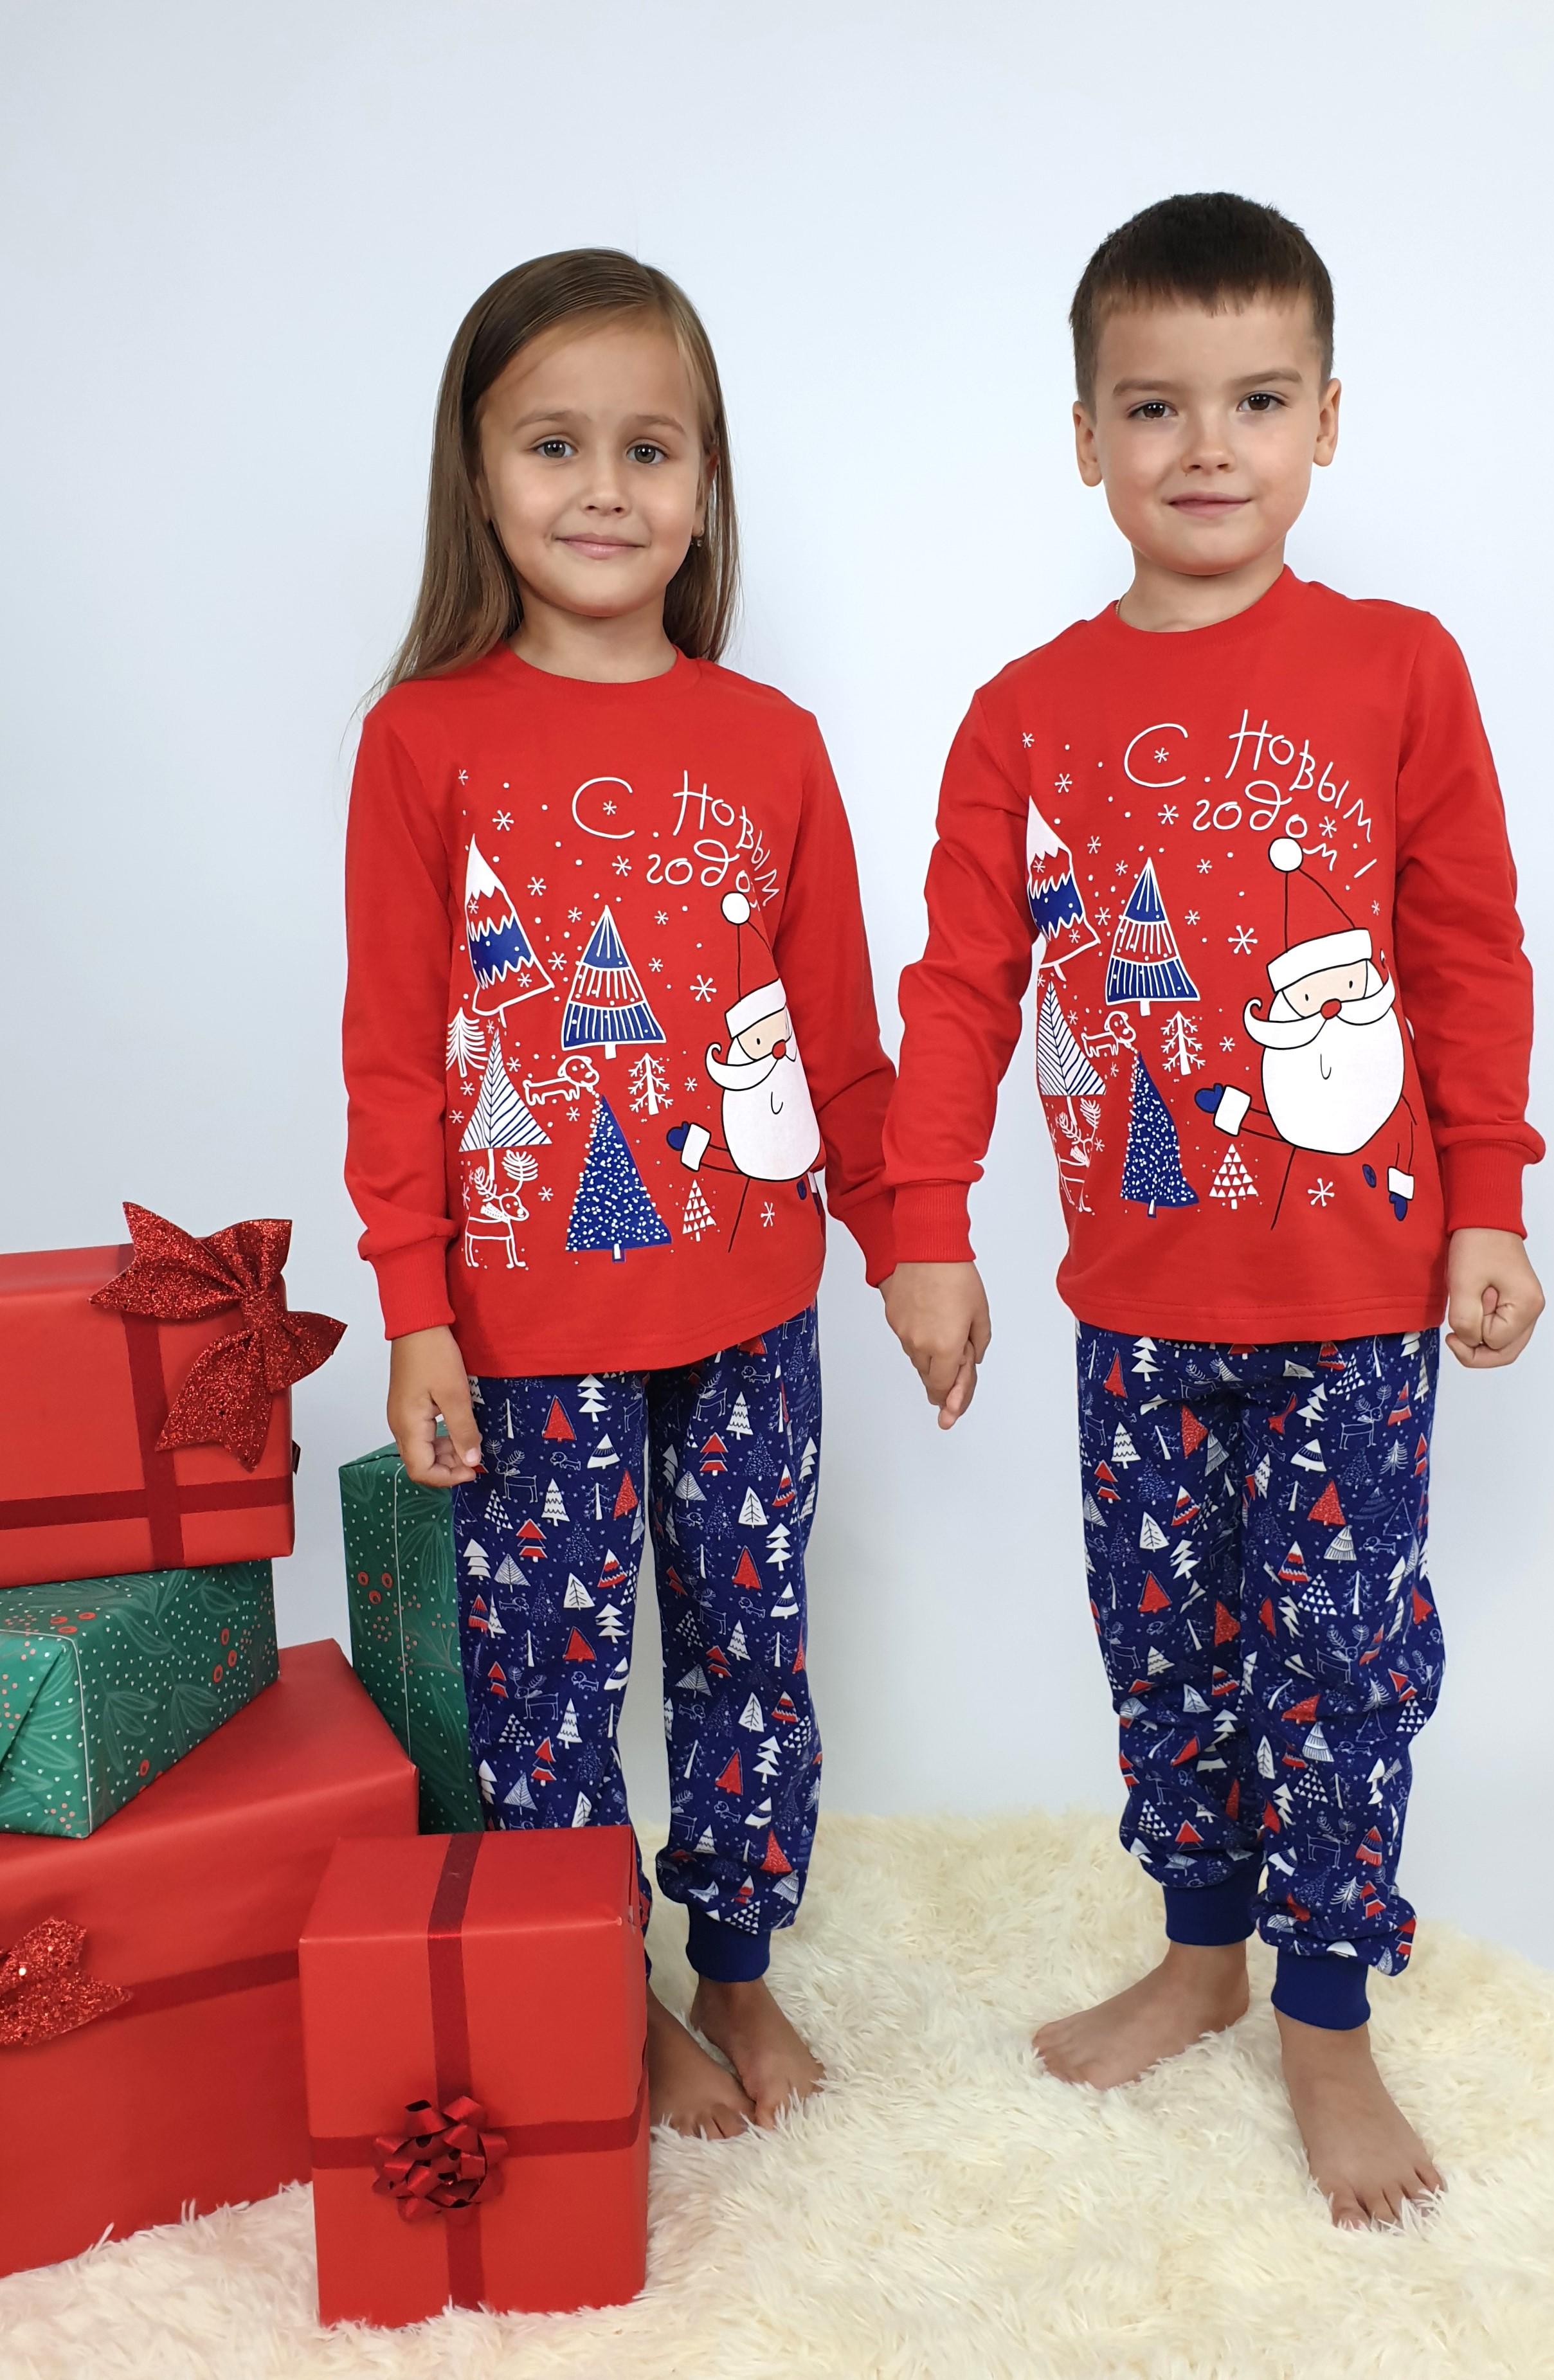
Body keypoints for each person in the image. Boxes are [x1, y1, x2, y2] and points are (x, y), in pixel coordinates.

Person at [881, 194, 1544, 2226]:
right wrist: (925, 1223)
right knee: (1162, 1646)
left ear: (1327, 421)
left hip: (1356, 1301)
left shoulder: (1397, 668)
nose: (1206, 447)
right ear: (1085, 434)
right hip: (1139, 1305)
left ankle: (1327, 2017)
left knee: (1336, 1666)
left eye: (1257, 401)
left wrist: (1491, 1201)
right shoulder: (1023, 714)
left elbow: (1467, 949)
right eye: (1155, 405)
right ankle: (1199, 1955)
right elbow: (961, 984)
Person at [343, 249, 895, 2136]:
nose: (604, 489)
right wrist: (416, 1309)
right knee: (549, 1687)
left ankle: (735, 1964)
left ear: (706, 480)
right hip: (525, 1338)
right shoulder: (424, 740)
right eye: (554, 445)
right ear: (479, 474)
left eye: (649, 448)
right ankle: (605, 1979)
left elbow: (838, 1045)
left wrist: (910, 1250)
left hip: (750, 1319)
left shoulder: (772, 744)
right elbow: (396, 1057)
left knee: (752, 1652)